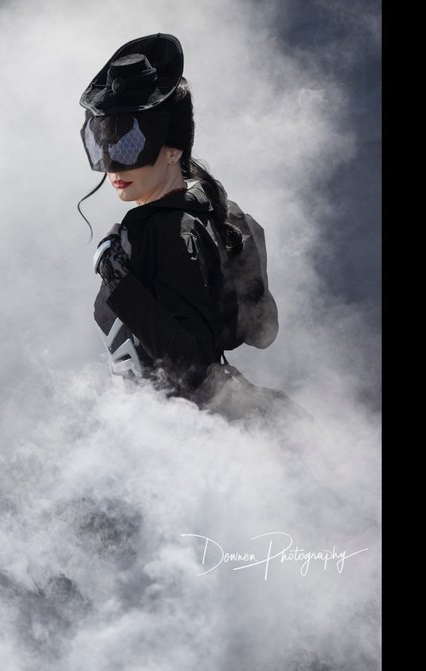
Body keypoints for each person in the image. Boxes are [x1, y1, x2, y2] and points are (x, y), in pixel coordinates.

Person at [77, 33, 307, 426]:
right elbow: (261, 329)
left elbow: (192, 370)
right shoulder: (210, 211)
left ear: (172, 150)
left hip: (187, 435)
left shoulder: (167, 230)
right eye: (103, 143)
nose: (113, 166)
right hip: (188, 432)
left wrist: (118, 280)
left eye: (129, 144)